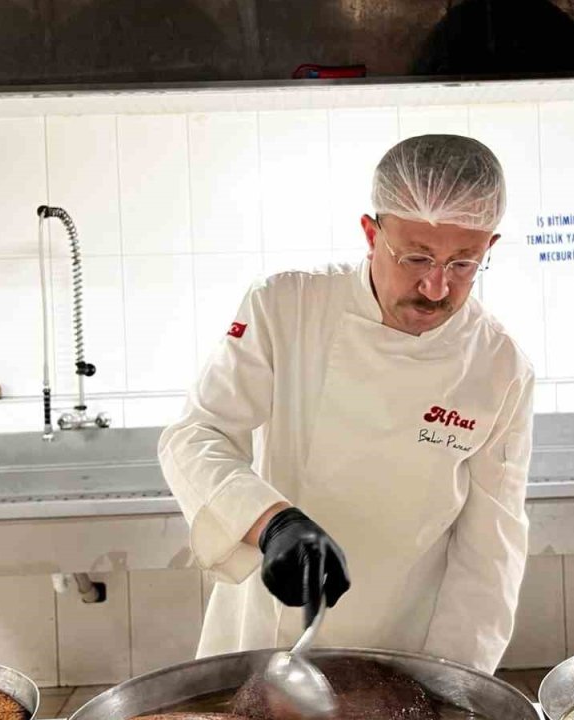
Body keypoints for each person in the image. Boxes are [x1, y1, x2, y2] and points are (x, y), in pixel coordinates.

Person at [158, 134, 534, 673]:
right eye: (417, 258)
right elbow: (195, 437)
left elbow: (490, 551)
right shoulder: (285, 309)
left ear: (489, 249)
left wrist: (455, 683)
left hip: (403, 654)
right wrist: (270, 523)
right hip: (269, 633)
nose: (435, 287)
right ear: (370, 233)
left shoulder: (499, 366)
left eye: (463, 264)